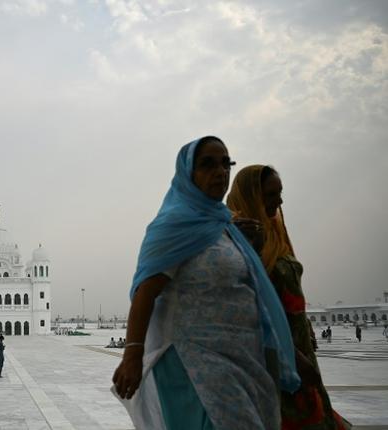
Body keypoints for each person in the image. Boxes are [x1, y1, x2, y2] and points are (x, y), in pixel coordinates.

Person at [112, 137, 300, 430]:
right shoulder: (173, 226)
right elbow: (145, 293)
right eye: (207, 164)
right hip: (194, 364)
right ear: (188, 173)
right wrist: (132, 355)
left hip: (242, 361)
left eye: (226, 163)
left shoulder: (225, 227)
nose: (220, 171)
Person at [228, 163, 351, 430]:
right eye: (271, 195)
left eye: (280, 193)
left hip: (296, 341)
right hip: (271, 350)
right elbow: (247, 301)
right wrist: (290, 354)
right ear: (251, 196)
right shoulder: (238, 234)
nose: (279, 201)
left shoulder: (274, 230)